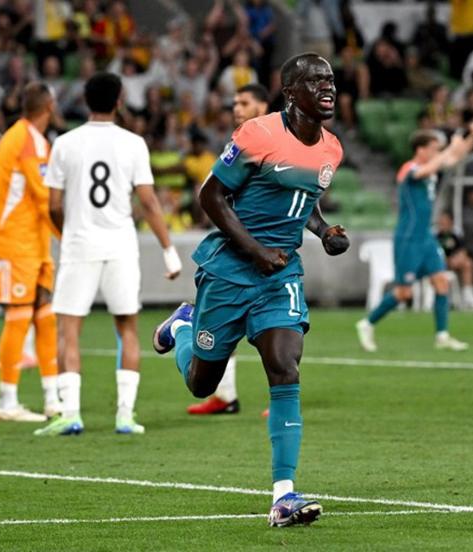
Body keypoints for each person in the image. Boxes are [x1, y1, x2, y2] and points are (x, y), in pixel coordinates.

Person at [152, 53, 348, 527]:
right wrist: (255, 250)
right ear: (290, 92)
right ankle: (182, 328)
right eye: (315, 81)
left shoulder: (332, 149)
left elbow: (302, 201)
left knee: (285, 366)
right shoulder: (257, 135)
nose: (327, 87)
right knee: (202, 382)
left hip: (280, 276)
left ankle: (284, 495)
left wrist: (323, 231)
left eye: (330, 79)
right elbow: (210, 196)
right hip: (230, 272)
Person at [34, 72, 181, 436]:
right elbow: (148, 201)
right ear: (119, 101)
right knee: (127, 327)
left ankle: (70, 414)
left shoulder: (64, 143)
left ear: (85, 101)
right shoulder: (133, 143)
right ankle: (125, 416)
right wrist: (169, 250)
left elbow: (53, 205)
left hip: (79, 245)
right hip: (120, 245)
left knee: (69, 330)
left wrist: (68, 231)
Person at [356, 123, 473, 353]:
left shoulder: (431, 167)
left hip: (426, 236)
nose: (436, 153)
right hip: (409, 238)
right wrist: (449, 148)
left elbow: (455, 157)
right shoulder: (409, 169)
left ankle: (442, 335)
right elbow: (430, 167)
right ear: (421, 149)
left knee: (441, 281)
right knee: (404, 292)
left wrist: (472, 136)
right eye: (433, 148)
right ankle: (367, 323)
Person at [0, 82, 61, 423]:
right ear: (49, 107)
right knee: (18, 316)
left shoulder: (27, 138)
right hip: (13, 243)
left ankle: (52, 398)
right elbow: (44, 198)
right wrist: (69, 236)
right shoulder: (28, 140)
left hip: (33, 244)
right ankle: (7, 402)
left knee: (45, 316)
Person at [187, 82, 270, 416]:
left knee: (274, 323)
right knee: (223, 323)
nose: (236, 108)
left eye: (244, 102)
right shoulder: (239, 140)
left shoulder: (279, 141)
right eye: (234, 103)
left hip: (269, 248)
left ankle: (280, 398)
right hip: (236, 250)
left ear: (263, 105)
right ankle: (226, 395)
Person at [436, 211, 473, 311]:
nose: (442, 223)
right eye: (441, 221)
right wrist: (446, 260)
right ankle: (465, 295)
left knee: (468, 263)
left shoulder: (456, 235)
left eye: (445, 221)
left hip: (455, 264)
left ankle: (467, 292)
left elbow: (463, 251)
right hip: (438, 265)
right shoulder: (436, 236)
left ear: (451, 222)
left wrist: (455, 260)